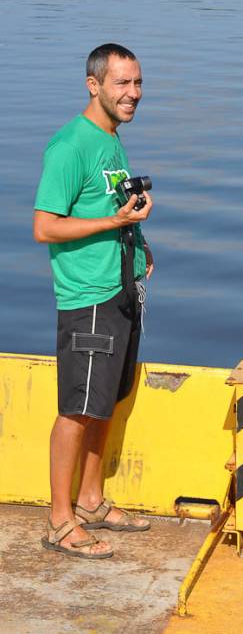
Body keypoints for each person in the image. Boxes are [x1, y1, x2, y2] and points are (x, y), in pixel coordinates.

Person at [34, 43, 154, 559]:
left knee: (105, 402)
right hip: (89, 297)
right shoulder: (71, 146)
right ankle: (60, 522)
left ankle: (90, 499)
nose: (133, 94)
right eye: (122, 84)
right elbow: (45, 227)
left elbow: (112, 205)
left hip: (121, 289)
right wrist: (115, 222)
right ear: (94, 85)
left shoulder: (111, 140)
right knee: (78, 409)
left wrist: (139, 242)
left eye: (137, 83)